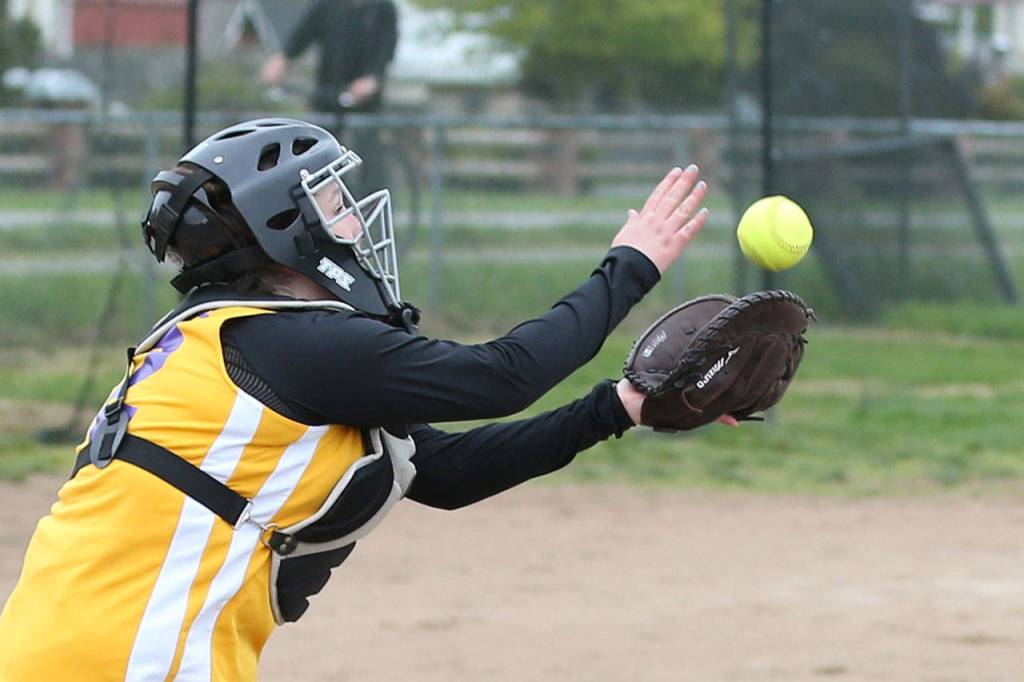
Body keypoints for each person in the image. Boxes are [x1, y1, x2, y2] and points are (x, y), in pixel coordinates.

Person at [0, 118, 732, 681]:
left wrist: (620, 407)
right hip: (132, 654)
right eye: (330, 200)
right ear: (286, 230)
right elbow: (503, 376)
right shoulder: (291, 345)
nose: (351, 218)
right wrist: (629, 267)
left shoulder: (243, 343)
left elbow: (441, 475)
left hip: (71, 645)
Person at [261, 0, 398, 194]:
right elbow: (304, 33)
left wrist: (372, 79)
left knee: (368, 157)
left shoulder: (382, 8)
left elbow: (386, 49)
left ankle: (370, 211)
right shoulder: (328, 5)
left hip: (366, 105)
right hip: (328, 97)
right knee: (321, 157)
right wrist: (283, 59)